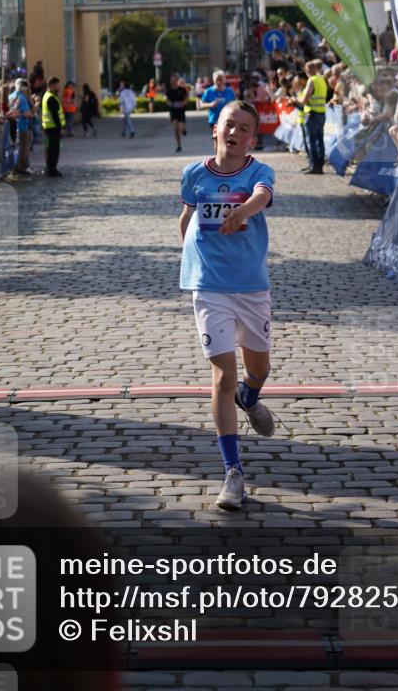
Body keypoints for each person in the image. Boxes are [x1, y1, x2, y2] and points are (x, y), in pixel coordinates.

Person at [178, 100, 276, 511]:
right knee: (222, 375)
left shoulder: (258, 171)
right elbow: (187, 217)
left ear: (252, 137)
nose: (235, 133)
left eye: (244, 129)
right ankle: (233, 472)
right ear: (214, 130)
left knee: (259, 368)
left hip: (250, 286)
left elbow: (261, 197)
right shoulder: (194, 175)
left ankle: (250, 398)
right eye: (229, 125)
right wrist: (192, 256)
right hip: (208, 286)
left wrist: (242, 213)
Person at [298, 59, 328, 174]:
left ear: (307, 70)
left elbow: (305, 99)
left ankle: (314, 166)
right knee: (320, 141)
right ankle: (319, 165)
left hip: (312, 114)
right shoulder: (321, 79)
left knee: (311, 141)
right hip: (322, 113)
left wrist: (298, 100)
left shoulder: (311, 81)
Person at [199, 70, 236, 139]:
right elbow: (200, 105)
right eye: (217, 80)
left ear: (224, 80)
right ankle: (218, 149)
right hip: (214, 119)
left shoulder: (230, 91)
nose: (219, 82)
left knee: (224, 138)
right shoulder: (208, 91)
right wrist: (210, 105)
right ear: (213, 80)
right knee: (218, 139)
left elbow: (235, 104)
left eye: (221, 80)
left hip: (227, 119)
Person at [41, 77, 65, 176]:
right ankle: (52, 170)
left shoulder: (47, 96)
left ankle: (50, 169)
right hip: (53, 128)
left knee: (50, 149)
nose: (59, 87)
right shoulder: (51, 97)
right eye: (57, 85)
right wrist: (61, 128)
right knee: (54, 150)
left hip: (48, 127)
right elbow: (55, 115)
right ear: (51, 85)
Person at [10, 78, 34, 174]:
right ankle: (21, 167)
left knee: (16, 148)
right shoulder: (22, 98)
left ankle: (17, 166)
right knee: (23, 149)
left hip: (14, 126)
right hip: (22, 126)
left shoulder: (11, 96)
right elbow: (28, 113)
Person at [167, 74, 188, 153]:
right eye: (172, 80)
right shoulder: (169, 90)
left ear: (177, 81)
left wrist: (184, 103)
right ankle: (178, 145)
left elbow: (186, 97)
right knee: (175, 129)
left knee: (181, 128)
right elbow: (167, 100)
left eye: (175, 80)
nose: (174, 81)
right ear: (170, 81)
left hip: (181, 111)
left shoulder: (182, 89)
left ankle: (184, 130)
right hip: (173, 111)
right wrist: (170, 103)